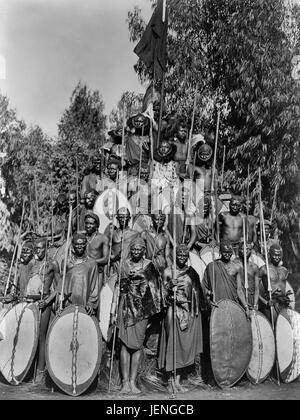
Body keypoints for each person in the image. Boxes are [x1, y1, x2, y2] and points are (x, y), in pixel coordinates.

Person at [117, 237, 162, 394]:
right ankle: (124, 383)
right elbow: (120, 288)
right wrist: (127, 279)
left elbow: (156, 288)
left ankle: (133, 381)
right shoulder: (125, 264)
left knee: (137, 345)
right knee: (124, 344)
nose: (136, 252)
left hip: (142, 310)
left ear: (144, 250)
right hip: (126, 307)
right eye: (133, 249)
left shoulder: (149, 265)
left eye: (139, 249)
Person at [158, 244, 206, 392]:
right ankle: (170, 381)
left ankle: (178, 381)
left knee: (181, 347)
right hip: (172, 311)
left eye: (185, 256)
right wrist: (168, 286)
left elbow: (198, 293)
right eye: (179, 255)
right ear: (175, 255)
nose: (182, 258)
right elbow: (159, 296)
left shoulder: (192, 273)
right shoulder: (168, 271)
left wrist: (201, 307)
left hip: (187, 311)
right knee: (172, 343)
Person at [19, 238, 59, 383]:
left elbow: (60, 286)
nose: (38, 251)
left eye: (41, 248)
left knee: (41, 337)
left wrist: (47, 301)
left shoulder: (52, 264)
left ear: (46, 248)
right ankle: (27, 370)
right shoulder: (32, 264)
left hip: (43, 304)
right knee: (30, 336)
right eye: (36, 248)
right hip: (30, 303)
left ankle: (40, 372)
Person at [46, 232, 99, 317]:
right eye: (77, 244)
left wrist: (91, 304)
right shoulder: (66, 262)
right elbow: (61, 285)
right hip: (68, 304)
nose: (79, 246)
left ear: (86, 245)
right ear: (73, 245)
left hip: (85, 305)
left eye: (82, 244)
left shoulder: (92, 263)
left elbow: (94, 286)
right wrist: (60, 302)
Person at [202, 241, 250, 316]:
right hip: (217, 305)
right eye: (224, 252)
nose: (227, 254)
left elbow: (239, 290)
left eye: (229, 252)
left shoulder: (236, 267)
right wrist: (209, 300)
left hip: (233, 304)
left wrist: (246, 307)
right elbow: (204, 287)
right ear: (220, 252)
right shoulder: (212, 266)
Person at [84, 212, 109, 315]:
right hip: (83, 272)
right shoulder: (81, 236)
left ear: (97, 225)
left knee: (94, 298)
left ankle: (94, 322)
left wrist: (92, 262)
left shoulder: (103, 238)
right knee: (83, 297)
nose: (88, 226)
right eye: (87, 223)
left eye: (91, 223)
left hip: (97, 273)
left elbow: (106, 258)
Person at [258, 244, 291, 321]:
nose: (277, 257)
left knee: (283, 328)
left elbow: (284, 289)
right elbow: (254, 290)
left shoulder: (284, 270)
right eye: (275, 255)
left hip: (283, 304)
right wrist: (265, 302)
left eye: (279, 255)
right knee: (272, 329)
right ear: (270, 255)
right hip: (271, 305)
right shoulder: (264, 269)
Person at [234, 242, 259, 310]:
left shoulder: (254, 267)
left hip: (252, 298)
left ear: (251, 251)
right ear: (239, 251)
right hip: (240, 299)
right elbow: (239, 289)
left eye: (247, 249)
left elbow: (257, 289)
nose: (245, 251)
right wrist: (245, 305)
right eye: (242, 249)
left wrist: (255, 304)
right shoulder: (236, 265)